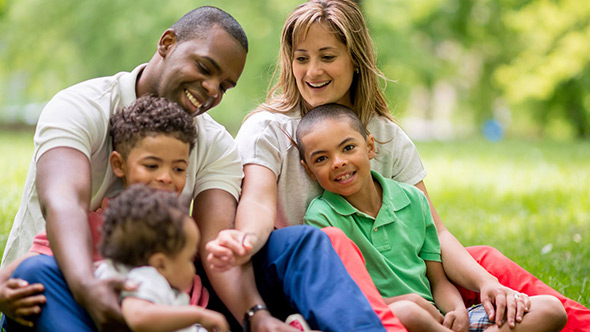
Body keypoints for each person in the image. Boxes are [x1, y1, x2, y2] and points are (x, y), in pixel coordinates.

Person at [0, 5, 390, 332]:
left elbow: (215, 245)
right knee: (37, 272)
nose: (210, 90)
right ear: (167, 44)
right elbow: (63, 202)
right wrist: (88, 287)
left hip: (169, 298)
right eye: (204, 67)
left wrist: (255, 315)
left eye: (225, 85)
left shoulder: (214, 141)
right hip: (64, 286)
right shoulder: (82, 106)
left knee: (304, 244)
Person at [209, 0, 589, 331]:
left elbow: (434, 233)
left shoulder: (384, 134)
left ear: (355, 61)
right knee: (331, 243)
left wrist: (487, 283)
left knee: (484, 260)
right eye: (301, 58)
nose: (312, 72)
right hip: (306, 271)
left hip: (388, 272)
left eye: (327, 57)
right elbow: (257, 202)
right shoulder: (268, 128)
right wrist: (246, 240)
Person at [298, 103, 568, 332]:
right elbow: (347, 298)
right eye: (321, 159)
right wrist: (408, 301)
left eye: (347, 148)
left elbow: (438, 281)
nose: (338, 162)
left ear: (370, 146)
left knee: (550, 309)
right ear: (309, 171)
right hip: (389, 321)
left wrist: (457, 310)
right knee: (408, 312)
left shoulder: (412, 200)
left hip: (439, 322)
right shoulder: (321, 218)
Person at [0, 95, 210, 330]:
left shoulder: (184, 235)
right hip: (83, 320)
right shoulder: (92, 225)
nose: (165, 177)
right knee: (35, 272)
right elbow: (22, 271)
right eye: (151, 165)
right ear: (119, 165)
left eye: (179, 168)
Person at [96, 184, 229, 332]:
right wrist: (199, 316)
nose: (193, 269)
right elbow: (138, 317)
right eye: (189, 259)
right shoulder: (146, 278)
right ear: (161, 264)